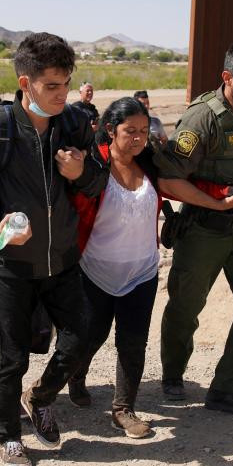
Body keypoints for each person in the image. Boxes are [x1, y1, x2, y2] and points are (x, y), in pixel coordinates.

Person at [0, 32, 108, 466]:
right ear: (26, 83)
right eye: (51, 86)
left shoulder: (74, 123)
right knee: (13, 356)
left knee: (82, 340)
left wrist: (80, 173)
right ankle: (7, 436)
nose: (62, 95)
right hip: (14, 265)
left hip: (62, 259)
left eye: (66, 84)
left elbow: (98, 181)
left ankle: (39, 398)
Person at [154, 41, 233, 416]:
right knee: (185, 306)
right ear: (227, 78)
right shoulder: (202, 118)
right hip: (203, 229)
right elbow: (168, 180)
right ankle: (173, 375)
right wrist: (217, 202)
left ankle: (228, 388)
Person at [67, 98, 162, 438]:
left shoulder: (150, 163)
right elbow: (70, 206)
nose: (138, 138)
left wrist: (224, 197)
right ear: (110, 130)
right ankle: (76, 376)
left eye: (143, 131)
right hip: (95, 270)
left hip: (143, 271)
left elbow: (183, 185)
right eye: (130, 131)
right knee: (90, 336)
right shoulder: (93, 166)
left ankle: (123, 409)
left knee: (133, 342)